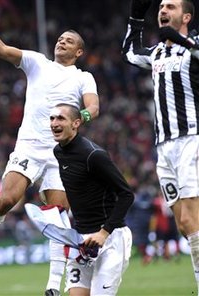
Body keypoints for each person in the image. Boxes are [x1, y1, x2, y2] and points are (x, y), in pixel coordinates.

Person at [0, 10, 99, 296]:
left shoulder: (84, 77)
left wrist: (80, 117)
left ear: (79, 51)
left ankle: (52, 285)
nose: (61, 42)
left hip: (60, 153)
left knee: (57, 216)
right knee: (7, 199)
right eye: (60, 38)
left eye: (68, 40)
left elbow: (93, 107)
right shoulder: (37, 62)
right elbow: (2, 49)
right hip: (29, 147)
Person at [122, 0, 199, 292]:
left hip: (192, 138)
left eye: (171, 7)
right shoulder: (157, 53)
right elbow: (130, 53)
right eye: (161, 6)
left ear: (186, 16)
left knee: (193, 221)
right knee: (183, 223)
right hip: (164, 147)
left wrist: (178, 38)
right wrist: (136, 18)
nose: (163, 10)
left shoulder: (194, 46)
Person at [50, 103, 134, 295]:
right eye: (52, 118)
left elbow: (126, 195)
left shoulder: (94, 155)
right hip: (81, 241)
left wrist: (103, 233)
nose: (54, 123)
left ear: (76, 123)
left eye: (61, 118)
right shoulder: (58, 152)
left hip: (110, 238)